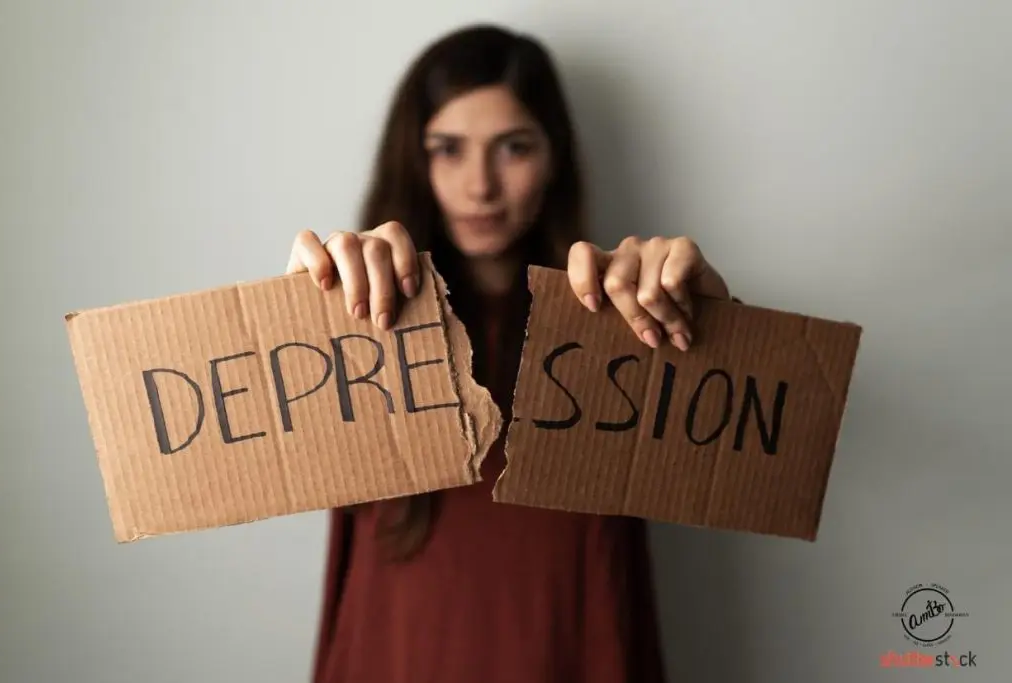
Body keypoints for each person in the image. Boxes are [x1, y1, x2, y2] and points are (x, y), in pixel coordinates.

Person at [285, 23, 733, 683]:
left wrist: (713, 323)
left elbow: (743, 443)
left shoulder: (624, 328)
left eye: (513, 148)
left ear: (555, 158)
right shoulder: (363, 334)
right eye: (448, 149)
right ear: (414, 158)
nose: (480, 186)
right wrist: (301, 312)